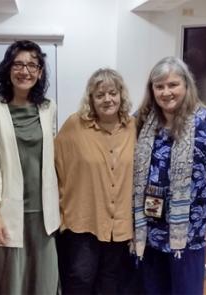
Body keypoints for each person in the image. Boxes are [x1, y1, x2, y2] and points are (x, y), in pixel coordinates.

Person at [133, 56, 206, 295]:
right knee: (151, 289)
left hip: (188, 233)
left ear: (186, 86)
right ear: (152, 90)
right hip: (149, 230)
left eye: (173, 85)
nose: (166, 92)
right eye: (159, 86)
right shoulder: (144, 119)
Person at [0, 40, 60, 294]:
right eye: (19, 64)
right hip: (9, 212)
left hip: (43, 214)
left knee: (43, 282)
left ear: (40, 72)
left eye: (33, 65)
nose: (26, 71)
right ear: (8, 69)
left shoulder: (48, 108)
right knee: (12, 284)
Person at [55, 68, 136, 294]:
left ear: (121, 95)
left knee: (110, 281)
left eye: (112, 93)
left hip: (119, 223)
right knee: (80, 279)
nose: (107, 99)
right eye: (100, 95)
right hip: (84, 221)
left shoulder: (133, 127)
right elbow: (53, 164)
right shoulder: (75, 125)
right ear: (91, 99)